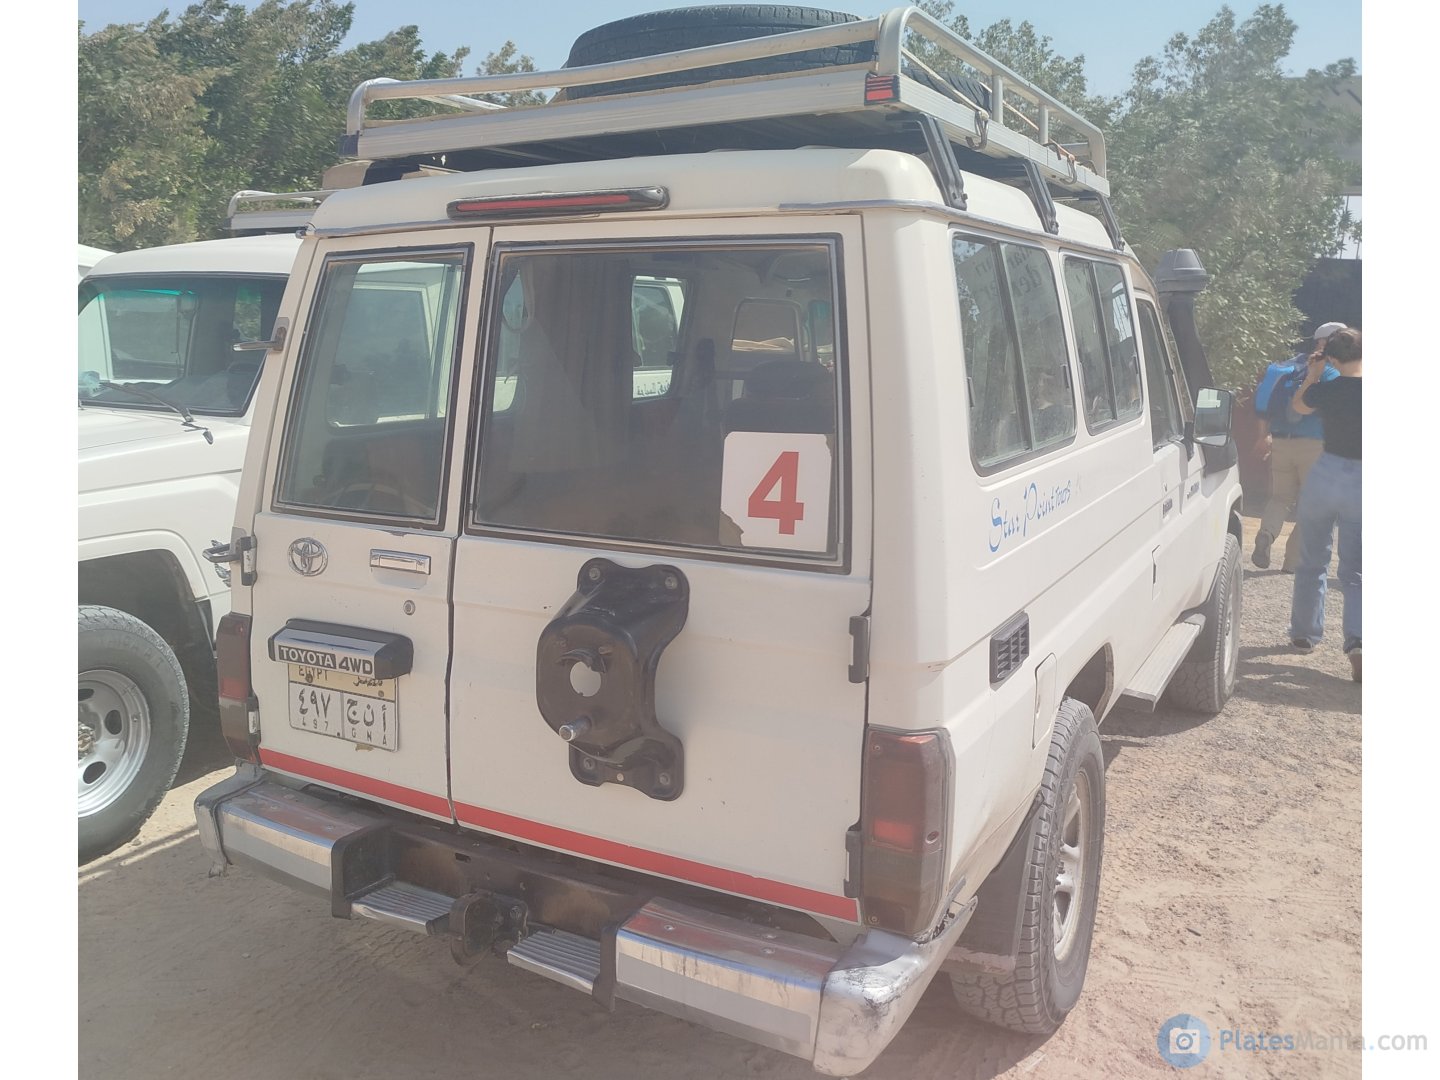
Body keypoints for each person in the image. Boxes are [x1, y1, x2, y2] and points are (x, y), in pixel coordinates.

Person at [1287, 327, 1362, 681]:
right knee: (1357, 572)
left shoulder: (1329, 390)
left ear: (1332, 358)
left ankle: (1304, 635)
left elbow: (1299, 406)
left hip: (1326, 472)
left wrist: (1313, 376)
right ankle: (1359, 640)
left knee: (1312, 559)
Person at [1250, 321, 1346, 570]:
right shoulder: (1331, 372)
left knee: (1280, 497)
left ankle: (1267, 534)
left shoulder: (1289, 366)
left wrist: (1263, 436)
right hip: (1314, 446)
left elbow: (1263, 402)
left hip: (1281, 442)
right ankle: (1292, 562)